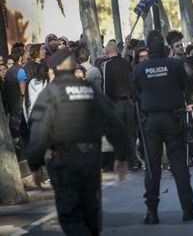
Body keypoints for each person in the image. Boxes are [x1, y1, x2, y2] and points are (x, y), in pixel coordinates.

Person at [26, 49, 129, 236]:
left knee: (71, 215)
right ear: (73, 66)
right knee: (91, 212)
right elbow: (114, 122)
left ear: (56, 68)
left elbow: (38, 131)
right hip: (91, 159)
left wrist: (35, 165)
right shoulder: (90, 90)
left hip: (64, 162)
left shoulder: (50, 93)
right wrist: (122, 156)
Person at [133, 30, 193, 224]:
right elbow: (187, 83)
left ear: (147, 48)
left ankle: (152, 212)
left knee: (152, 167)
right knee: (178, 164)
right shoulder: (175, 64)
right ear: (164, 47)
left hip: (151, 122)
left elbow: (135, 94)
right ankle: (188, 209)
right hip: (173, 119)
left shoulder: (140, 69)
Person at [102, 40, 137, 171]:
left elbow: (107, 86)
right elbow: (131, 81)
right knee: (130, 133)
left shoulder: (108, 65)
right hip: (128, 101)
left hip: (115, 103)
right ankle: (133, 160)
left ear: (108, 51)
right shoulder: (126, 63)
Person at [4, 46, 29, 160]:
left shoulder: (8, 72)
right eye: (24, 55)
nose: (25, 56)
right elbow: (23, 91)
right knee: (25, 136)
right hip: (21, 107)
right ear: (20, 57)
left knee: (17, 135)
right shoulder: (20, 70)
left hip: (12, 108)